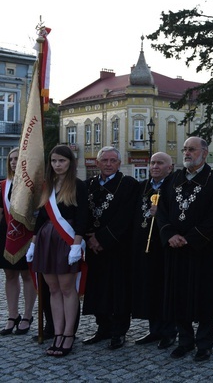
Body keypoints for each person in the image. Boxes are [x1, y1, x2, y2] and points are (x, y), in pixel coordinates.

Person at [157, 137, 213, 362]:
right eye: (184, 149)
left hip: (203, 250)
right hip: (175, 250)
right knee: (178, 296)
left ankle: (204, 343)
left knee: (206, 297)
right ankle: (184, 340)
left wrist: (190, 238)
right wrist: (170, 235)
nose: (187, 153)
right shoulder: (173, 179)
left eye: (192, 149)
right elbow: (161, 211)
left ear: (205, 153)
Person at [27, 145, 87, 356]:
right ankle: (58, 333)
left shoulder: (78, 186)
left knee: (67, 289)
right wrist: (33, 244)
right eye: (54, 161)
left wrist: (75, 245)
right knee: (52, 289)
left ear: (70, 162)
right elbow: (41, 217)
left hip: (66, 240)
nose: (57, 165)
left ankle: (68, 334)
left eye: (62, 161)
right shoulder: (47, 186)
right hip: (46, 240)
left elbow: (82, 218)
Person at [82, 147, 139, 350]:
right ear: (97, 163)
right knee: (97, 289)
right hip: (93, 248)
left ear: (119, 162)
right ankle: (102, 327)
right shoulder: (88, 185)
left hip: (118, 247)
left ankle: (119, 331)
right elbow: (83, 213)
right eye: (104, 160)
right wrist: (89, 237)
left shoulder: (129, 184)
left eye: (112, 160)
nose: (108, 164)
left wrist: (102, 239)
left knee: (118, 290)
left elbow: (125, 217)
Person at [131, 152, 176, 350]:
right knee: (149, 287)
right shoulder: (143, 187)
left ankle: (169, 331)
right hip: (145, 246)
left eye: (160, 163)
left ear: (170, 167)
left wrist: (162, 213)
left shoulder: (175, 188)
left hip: (166, 246)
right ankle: (154, 328)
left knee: (166, 289)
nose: (155, 166)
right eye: (152, 163)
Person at [0, 147, 36, 336]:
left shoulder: (32, 185)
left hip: (27, 235)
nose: (14, 162)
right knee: (10, 275)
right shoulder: (3, 185)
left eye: (18, 159)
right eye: (11, 159)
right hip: (6, 235)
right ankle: (12, 315)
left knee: (27, 275)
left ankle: (28, 316)